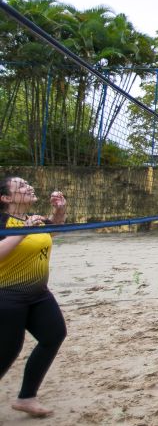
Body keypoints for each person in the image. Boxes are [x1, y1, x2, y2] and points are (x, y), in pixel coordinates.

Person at [0, 177, 68, 417]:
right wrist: (24, 231)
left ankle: (27, 397)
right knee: (7, 351)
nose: (28, 187)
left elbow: (53, 232)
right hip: (7, 296)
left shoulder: (33, 219)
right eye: (21, 186)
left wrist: (59, 212)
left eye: (28, 183)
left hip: (38, 293)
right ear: (6, 198)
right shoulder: (4, 222)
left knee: (54, 335)